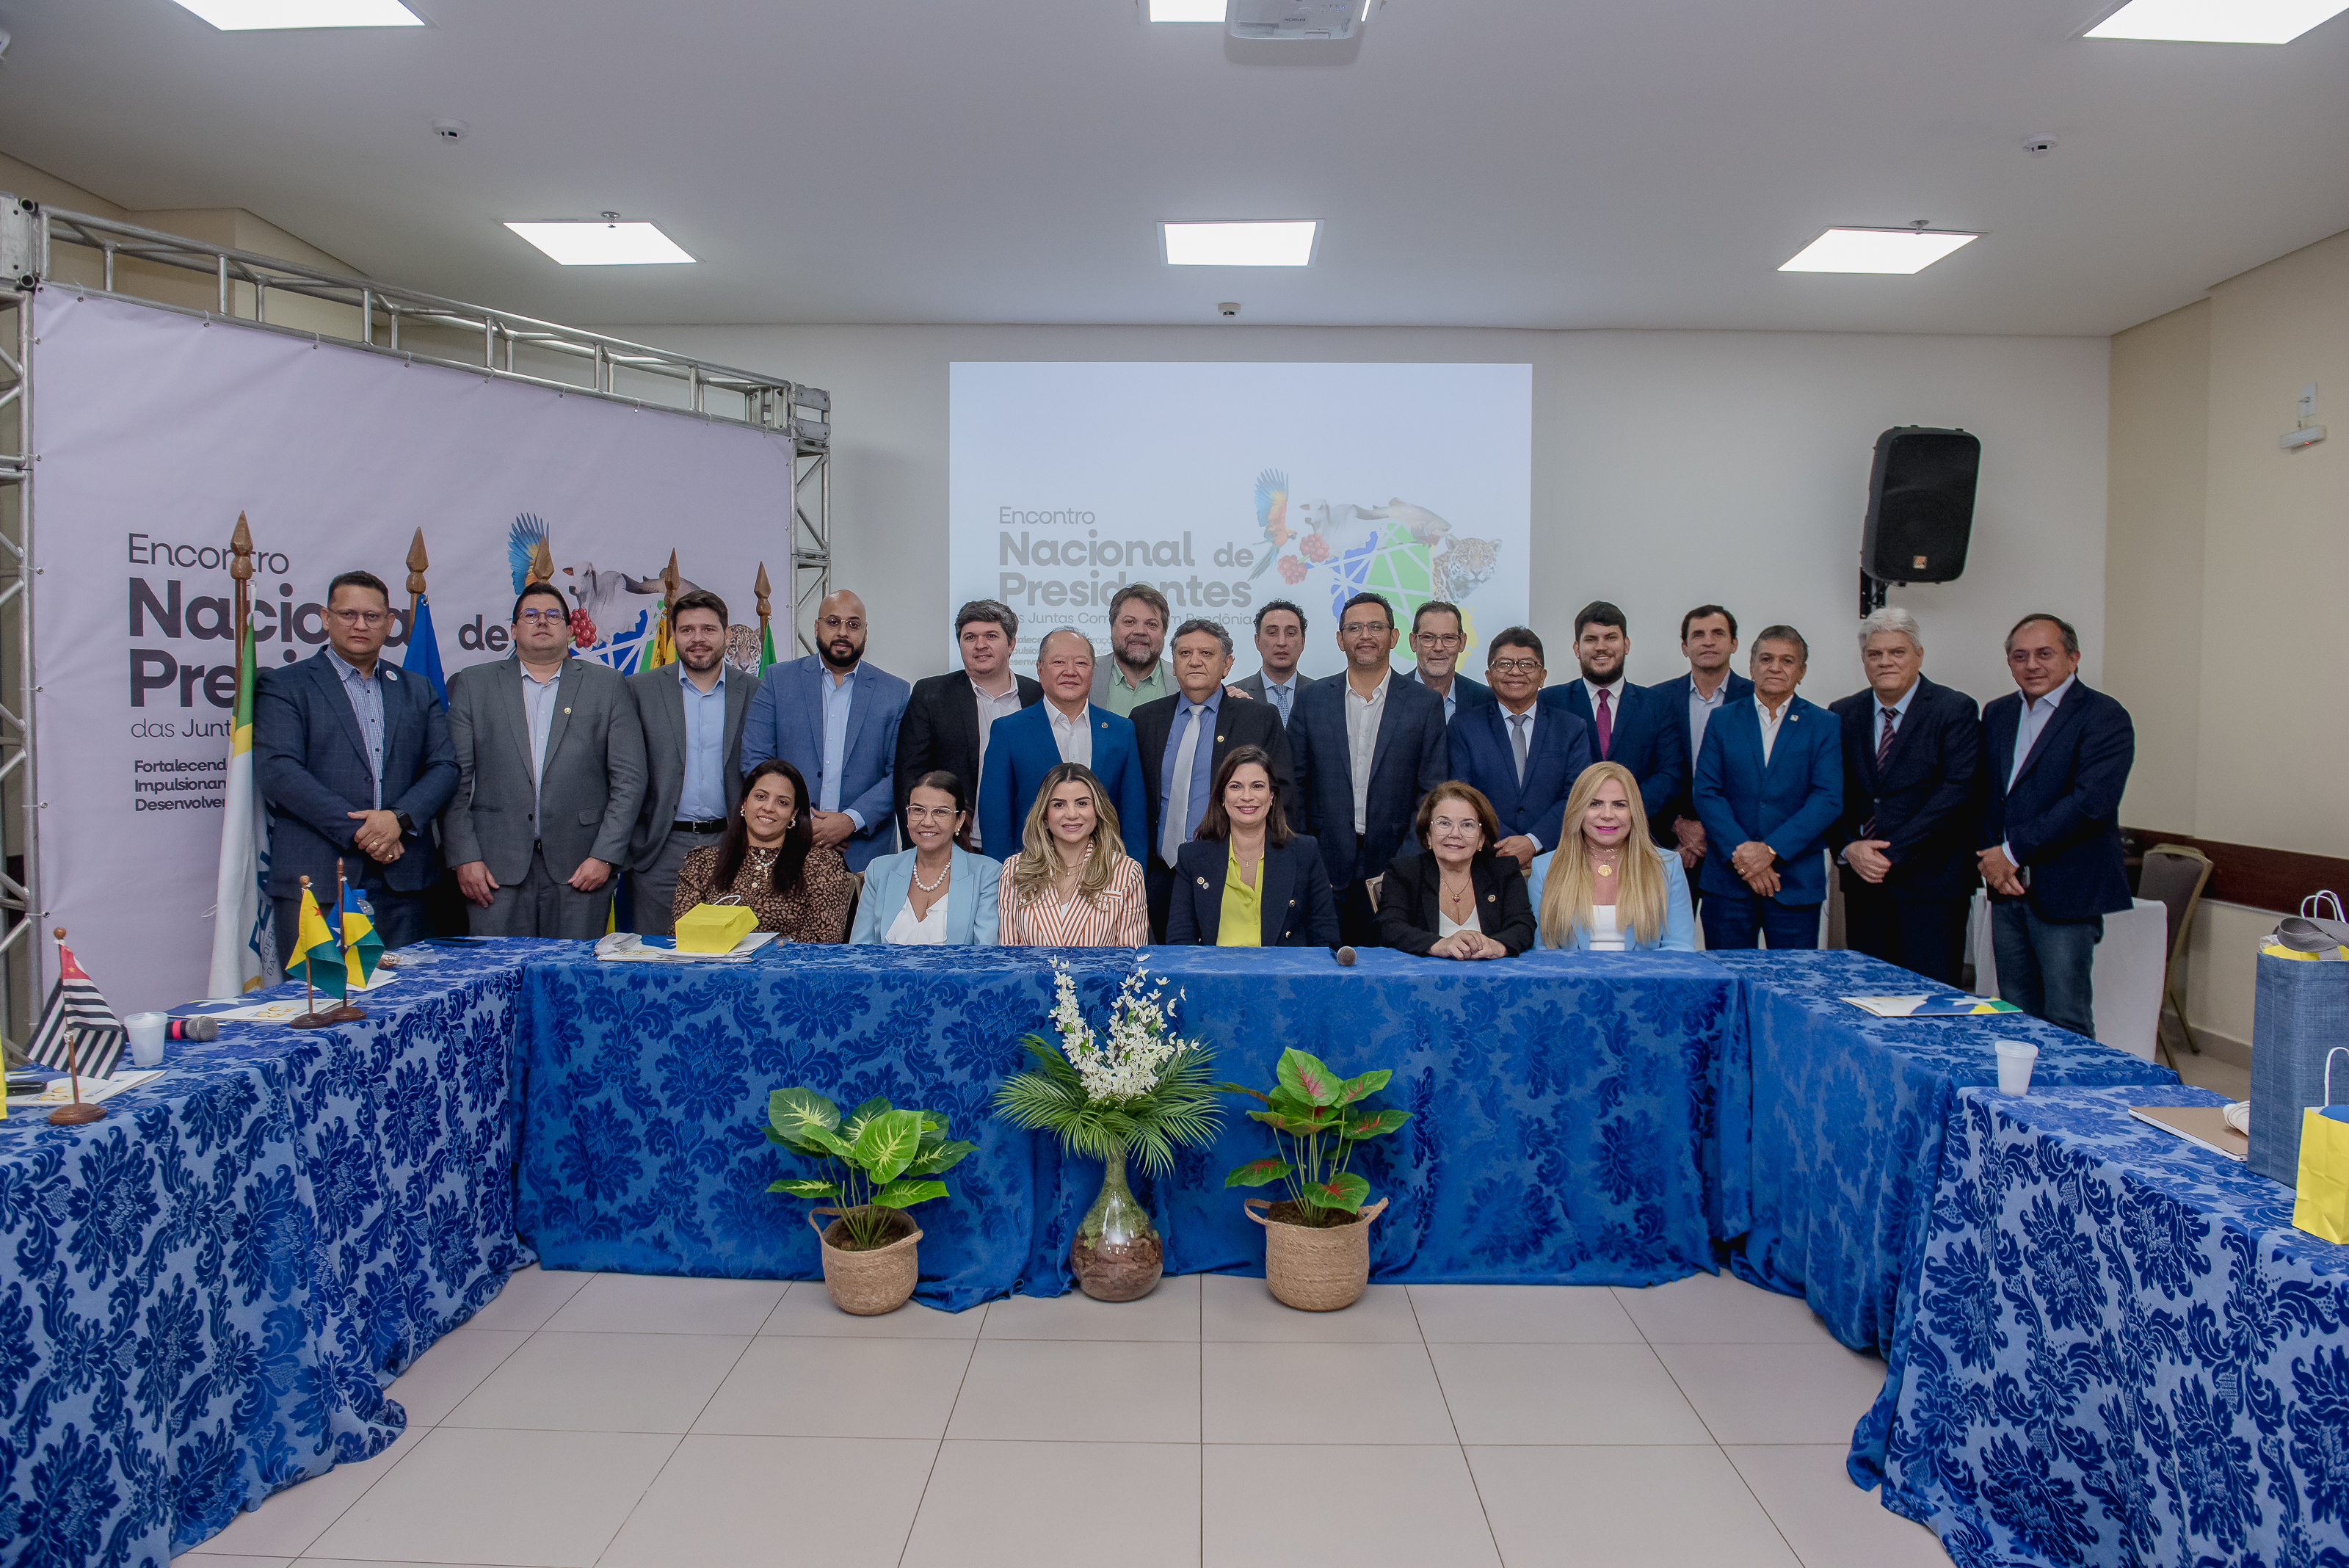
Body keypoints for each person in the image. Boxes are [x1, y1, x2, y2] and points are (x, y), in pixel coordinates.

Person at [254, 568, 458, 957]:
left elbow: (444, 767)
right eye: (348, 615)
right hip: (320, 883)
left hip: (406, 885)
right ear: (325, 618)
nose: (360, 625)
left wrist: (396, 820)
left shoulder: (417, 688)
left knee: (410, 1008)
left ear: (390, 623)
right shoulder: (285, 685)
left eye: (372, 616)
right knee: (323, 1007)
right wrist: (367, 832)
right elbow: (279, 771)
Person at [443, 581, 646, 937]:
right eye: (531, 615)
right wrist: (464, 856)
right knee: (497, 983)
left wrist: (605, 856)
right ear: (513, 629)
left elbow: (629, 780)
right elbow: (454, 779)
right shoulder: (475, 685)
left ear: (570, 630)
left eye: (553, 615)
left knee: (572, 986)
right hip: (492, 869)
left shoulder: (608, 684)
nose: (542, 622)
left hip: (582, 867)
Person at [1978, 613, 2135, 1038]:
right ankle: (2019, 1105)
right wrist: (1992, 858)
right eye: (2020, 656)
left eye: (2045, 654)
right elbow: (1985, 795)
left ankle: (2073, 1105)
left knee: (2066, 1018)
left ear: (2074, 658)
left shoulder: (2103, 715)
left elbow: (2090, 804)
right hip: (2007, 891)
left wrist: (2011, 853)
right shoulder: (1997, 714)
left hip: (2067, 891)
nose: (2032, 665)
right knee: (2013, 1013)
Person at [1288, 592, 1451, 945]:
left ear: (1393, 637)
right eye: (1355, 628)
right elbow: (1293, 785)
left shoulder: (1424, 704)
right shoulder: (1312, 699)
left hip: (1396, 865)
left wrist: (1405, 864)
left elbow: (1432, 792)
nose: (1365, 636)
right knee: (1323, 970)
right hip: (1324, 866)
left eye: (1376, 627)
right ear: (1339, 639)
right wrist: (1307, 856)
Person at [1831, 607, 1982, 986]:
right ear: (1864, 660)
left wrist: (1889, 852)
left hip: (1932, 884)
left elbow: (1957, 790)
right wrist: (1849, 847)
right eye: (1874, 654)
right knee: (1868, 995)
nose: (1885, 662)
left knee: (1929, 997)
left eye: (1897, 652)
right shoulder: (1842, 713)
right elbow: (1831, 792)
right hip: (1865, 883)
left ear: (1919, 654)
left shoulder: (1955, 709)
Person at [1133, 617, 1298, 938]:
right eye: (1184, 654)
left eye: (1206, 654)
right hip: (1157, 873)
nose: (1194, 661)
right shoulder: (1144, 719)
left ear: (1227, 665)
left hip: (1231, 871)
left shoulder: (1257, 718)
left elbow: (1284, 794)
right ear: (1173, 664)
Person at [1689, 624, 1842, 950]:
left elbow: (1827, 798)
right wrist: (1744, 854)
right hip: (1728, 880)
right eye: (1767, 659)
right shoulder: (1722, 719)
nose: (1775, 667)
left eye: (1787, 661)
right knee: (1728, 982)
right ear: (1751, 665)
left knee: (1793, 984)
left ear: (1801, 672)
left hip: (1794, 879)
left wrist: (1770, 851)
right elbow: (1706, 791)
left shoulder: (1824, 723)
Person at [739, 589, 909, 873]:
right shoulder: (778, 680)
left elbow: (902, 774)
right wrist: (799, 820)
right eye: (833, 622)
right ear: (816, 627)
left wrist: (850, 821)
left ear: (865, 634)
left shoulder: (896, 692)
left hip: (865, 857)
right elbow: (755, 758)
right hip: (783, 844)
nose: (843, 632)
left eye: (853, 625)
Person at [625, 589, 761, 936]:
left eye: (708, 629)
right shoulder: (639, 689)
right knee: (655, 958)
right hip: (661, 850)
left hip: (734, 845)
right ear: (674, 634)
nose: (698, 639)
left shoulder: (757, 691)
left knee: (730, 957)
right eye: (687, 630)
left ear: (728, 635)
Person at [976, 628, 1150, 865]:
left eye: (1081, 663)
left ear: (1093, 671)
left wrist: (1131, 878)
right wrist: (1007, 881)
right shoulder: (1008, 732)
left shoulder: (1122, 731)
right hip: (1032, 877)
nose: (1070, 672)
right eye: (1059, 662)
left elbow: (1134, 820)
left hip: (1105, 877)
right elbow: (995, 819)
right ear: (1039, 669)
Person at [892, 599, 1040, 854]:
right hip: (955, 846)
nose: (980, 645)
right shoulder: (931, 695)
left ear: (1012, 644)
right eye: (969, 637)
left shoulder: (1038, 695)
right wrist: (915, 849)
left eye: (991, 636)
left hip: (1028, 847)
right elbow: (909, 779)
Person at [1446, 627, 1593, 871]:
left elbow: (1577, 795)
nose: (1515, 672)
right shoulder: (1464, 727)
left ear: (1543, 676)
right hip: (1485, 863)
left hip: (1555, 862)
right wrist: (1505, 844)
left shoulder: (1571, 728)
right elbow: (1463, 794)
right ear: (1489, 675)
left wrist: (1533, 842)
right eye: (1504, 664)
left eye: (1527, 664)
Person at [1164, 747, 1340, 947]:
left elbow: (1326, 941)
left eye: (1257, 786)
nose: (1247, 796)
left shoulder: (1305, 853)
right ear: (1222, 797)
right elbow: (1179, 943)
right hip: (1214, 977)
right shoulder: (1192, 858)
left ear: (1272, 795)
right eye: (1236, 787)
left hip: (1283, 976)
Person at [672, 758, 854, 941]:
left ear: (794, 814)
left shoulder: (821, 865)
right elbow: (682, 937)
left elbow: (822, 945)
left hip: (788, 969)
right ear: (745, 802)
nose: (768, 808)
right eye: (761, 797)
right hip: (713, 968)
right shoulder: (702, 862)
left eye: (782, 802)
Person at [1550, 600, 1687, 838]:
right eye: (1591, 639)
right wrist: (1587, 812)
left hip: (1640, 839)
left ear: (1626, 645)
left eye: (1610, 638)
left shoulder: (1657, 705)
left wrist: (1624, 810)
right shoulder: (1551, 702)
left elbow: (1669, 773)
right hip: (1568, 839)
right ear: (1576, 648)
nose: (1601, 647)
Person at [1529, 762, 1697, 951]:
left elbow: (1680, 948)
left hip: (1645, 980)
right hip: (1571, 980)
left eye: (1619, 805)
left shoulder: (1668, 866)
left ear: (1634, 812)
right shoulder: (1544, 868)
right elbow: (1539, 950)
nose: (1607, 815)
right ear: (1577, 811)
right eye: (1595, 804)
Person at [1652, 605, 1752, 896]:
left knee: (1728, 942)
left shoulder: (1756, 699)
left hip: (1735, 845)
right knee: (1667, 940)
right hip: (1671, 845)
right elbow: (1647, 770)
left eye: (1718, 633)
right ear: (1685, 647)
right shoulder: (1656, 700)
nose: (1708, 641)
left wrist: (1712, 827)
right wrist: (1678, 824)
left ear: (1734, 643)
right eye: (1698, 635)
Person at [1373, 781, 1536, 959]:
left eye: (1467, 825)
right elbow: (1389, 926)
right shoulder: (1404, 872)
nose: (1455, 834)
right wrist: (1439, 945)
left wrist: (1496, 946)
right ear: (1428, 834)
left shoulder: (1504, 871)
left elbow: (1523, 926)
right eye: (1444, 823)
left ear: (1481, 839)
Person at [997, 762, 1150, 946]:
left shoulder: (1126, 872)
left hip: (1103, 976)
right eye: (1059, 804)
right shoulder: (1015, 869)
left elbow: (1131, 960)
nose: (1071, 814)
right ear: (1044, 815)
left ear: (1098, 811)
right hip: (1030, 976)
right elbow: (1008, 957)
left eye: (1082, 803)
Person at [850, 769, 1001, 945]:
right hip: (885, 974)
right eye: (918, 810)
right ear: (907, 816)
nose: (927, 822)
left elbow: (985, 956)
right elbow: (860, 951)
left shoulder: (987, 874)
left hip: (957, 974)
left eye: (941, 812)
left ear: (959, 820)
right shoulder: (879, 870)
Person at [1089, 583, 1172, 716]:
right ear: (1112, 627)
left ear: (1164, 633)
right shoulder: (1085, 675)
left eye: (1151, 624)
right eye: (1129, 622)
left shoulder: (1181, 681)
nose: (1140, 631)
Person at [1404, 600, 1493, 722]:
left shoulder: (1486, 700)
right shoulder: (1389, 696)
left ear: (1462, 642)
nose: (1439, 648)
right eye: (1428, 638)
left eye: (1449, 638)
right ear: (1413, 642)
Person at [1237, 599, 1315, 727]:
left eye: (1290, 633)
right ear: (1258, 641)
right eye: (1272, 633)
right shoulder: (1236, 696)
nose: (1281, 642)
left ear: (1303, 642)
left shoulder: (1321, 695)